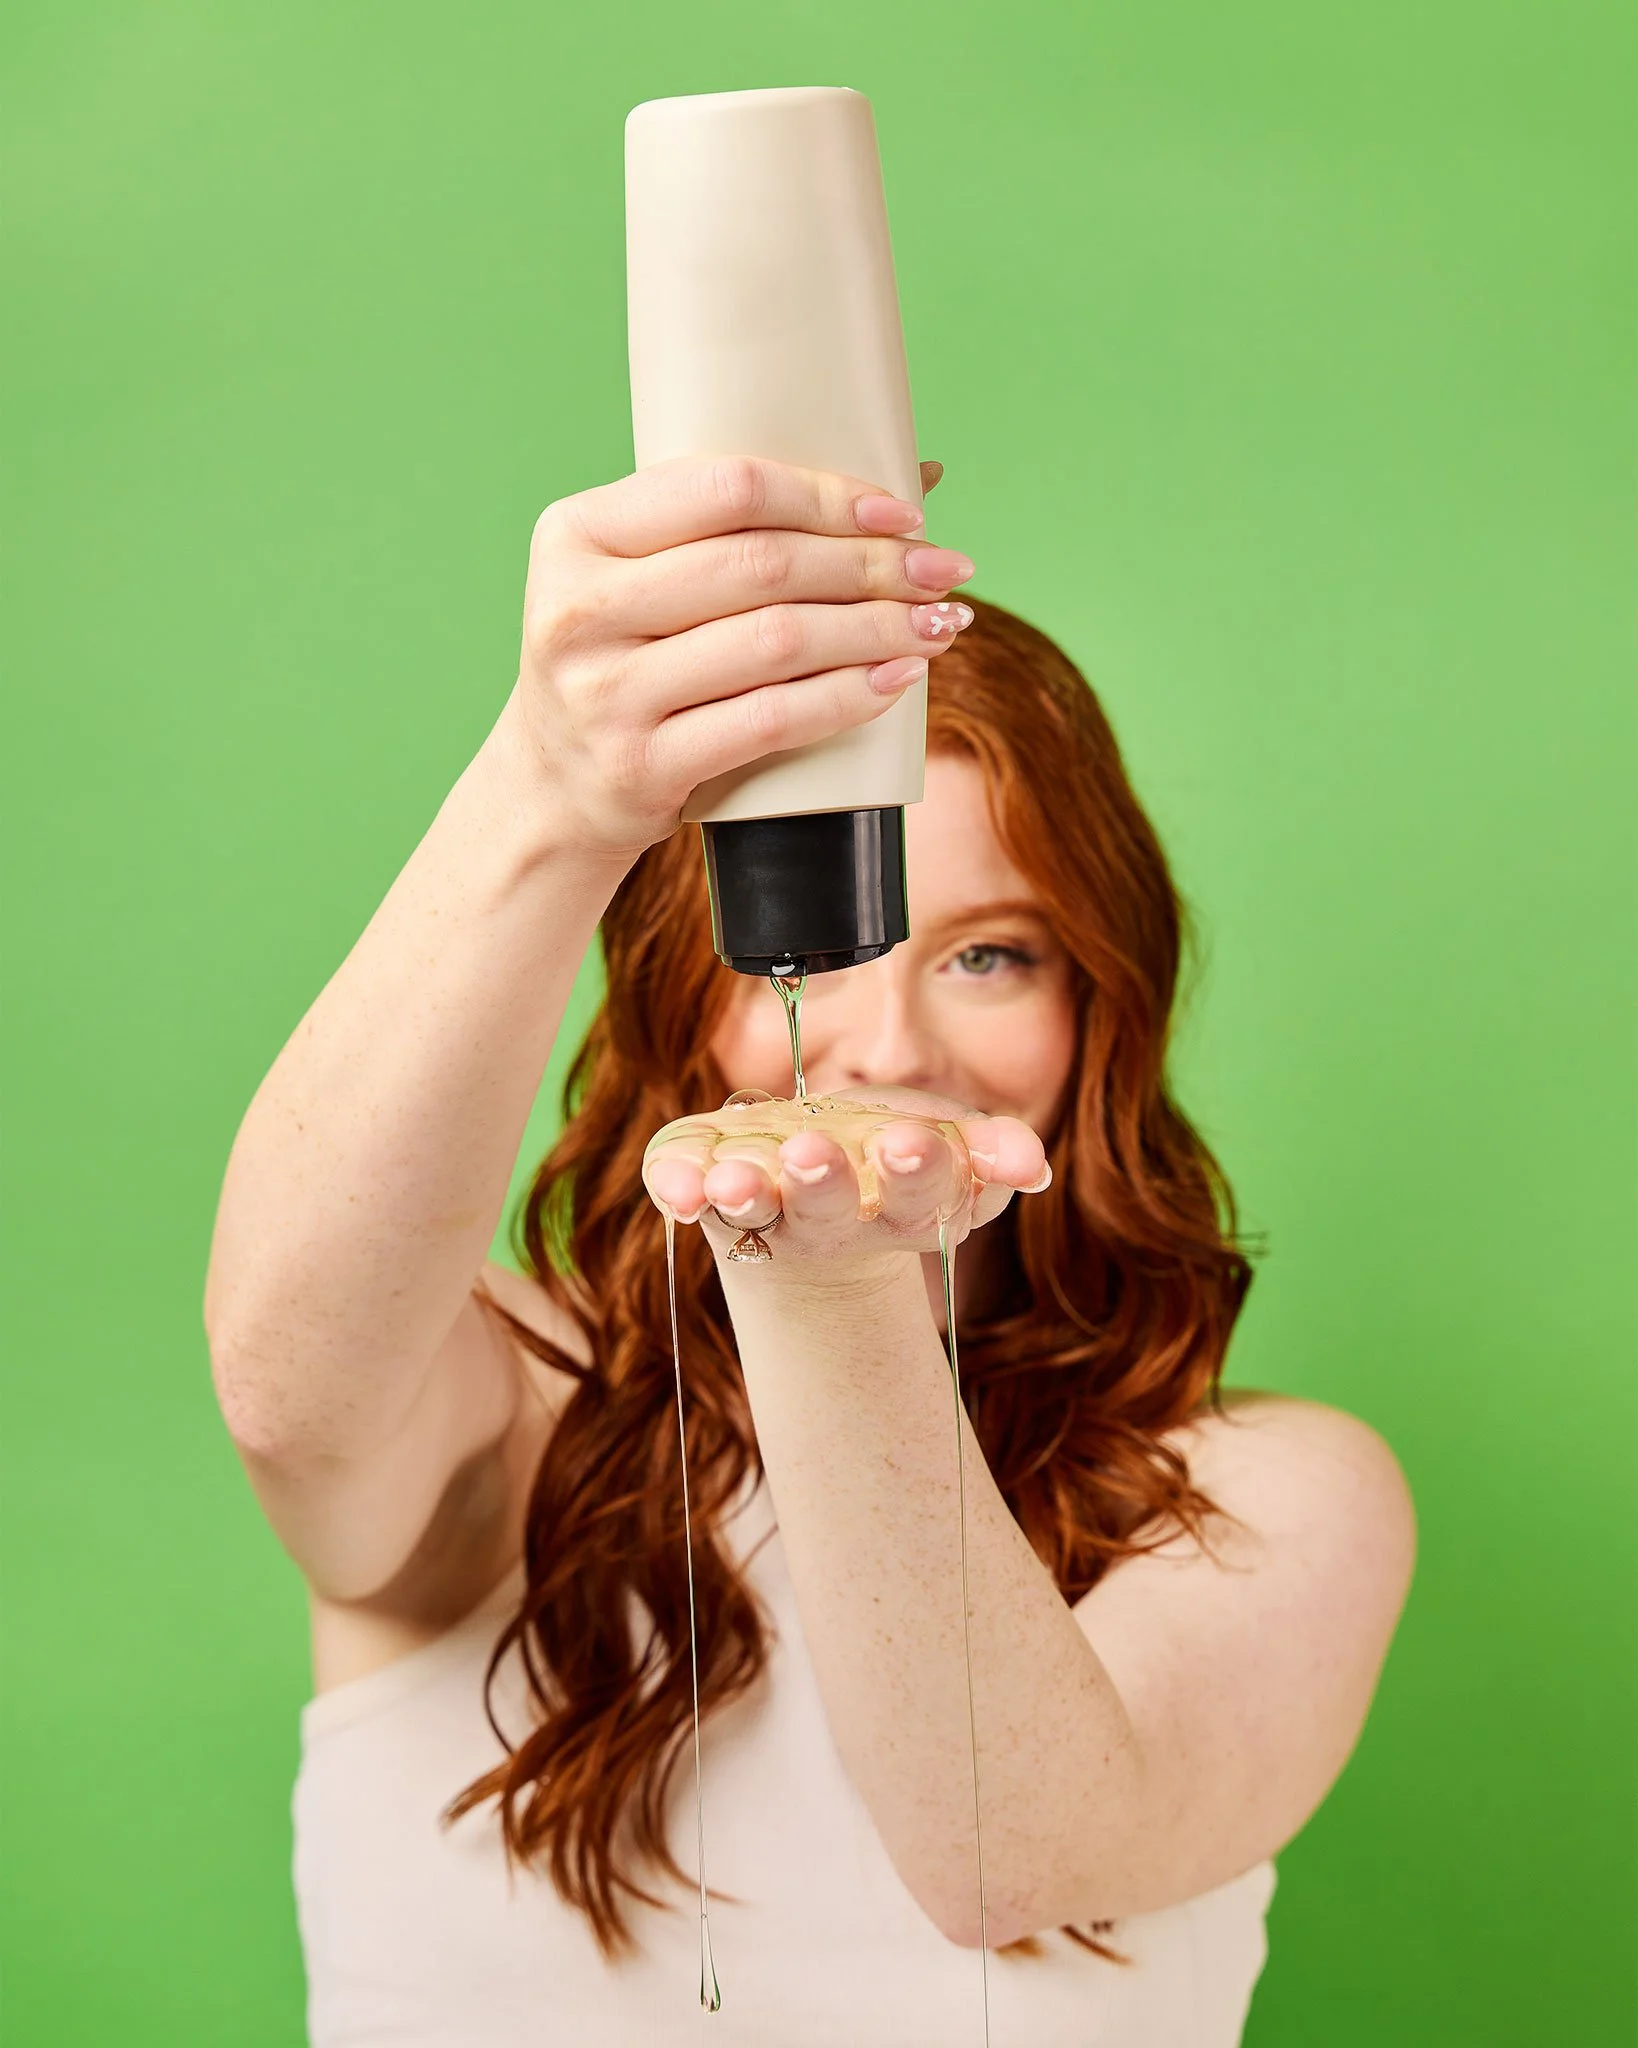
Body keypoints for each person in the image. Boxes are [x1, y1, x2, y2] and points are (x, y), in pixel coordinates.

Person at [204, 455, 1415, 2047]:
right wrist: (555, 785)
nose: (884, 1045)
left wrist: (828, 1278)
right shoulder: (513, 1413)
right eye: (802, 949)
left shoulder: (1271, 1502)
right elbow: (288, 1394)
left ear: (1096, 1008)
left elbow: (1005, 1859)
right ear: (675, 995)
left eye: (989, 955)